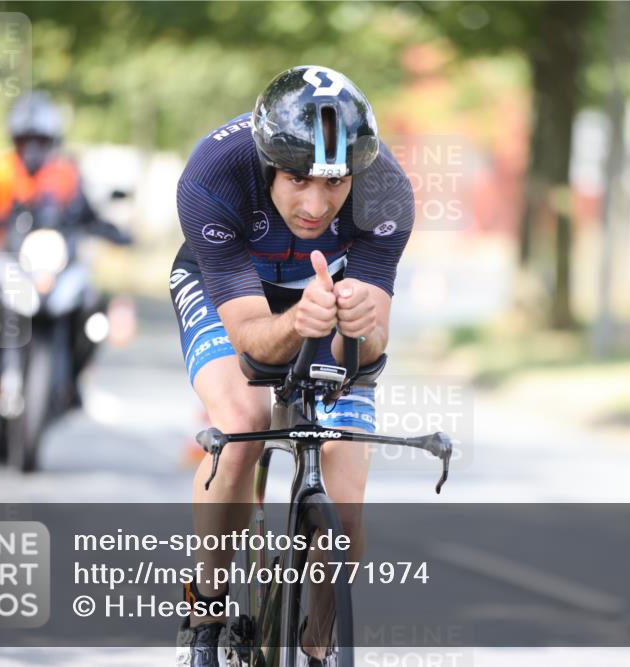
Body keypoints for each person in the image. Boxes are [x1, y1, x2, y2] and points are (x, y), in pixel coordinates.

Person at [171, 66, 414, 667]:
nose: (315, 203)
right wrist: (296, 324)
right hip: (229, 290)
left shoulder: (386, 190)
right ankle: (205, 607)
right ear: (267, 163)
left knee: (347, 505)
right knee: (242, 423)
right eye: (297, 178)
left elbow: (368, 355)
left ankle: (319, 643)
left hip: (327, 293)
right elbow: (252, 340)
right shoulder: (212, 174)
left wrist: (359, 326)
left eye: (334, 183)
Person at [0, 91, 129, 402]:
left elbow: (88, 214)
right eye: (25, 139)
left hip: (55, 265)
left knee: (91, 304)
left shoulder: (67, 174)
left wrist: (111, 230)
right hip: (2, 258)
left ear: (52, 141)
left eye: (40, 140)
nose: (32, 148)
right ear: (14, 139)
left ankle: (76, 377)